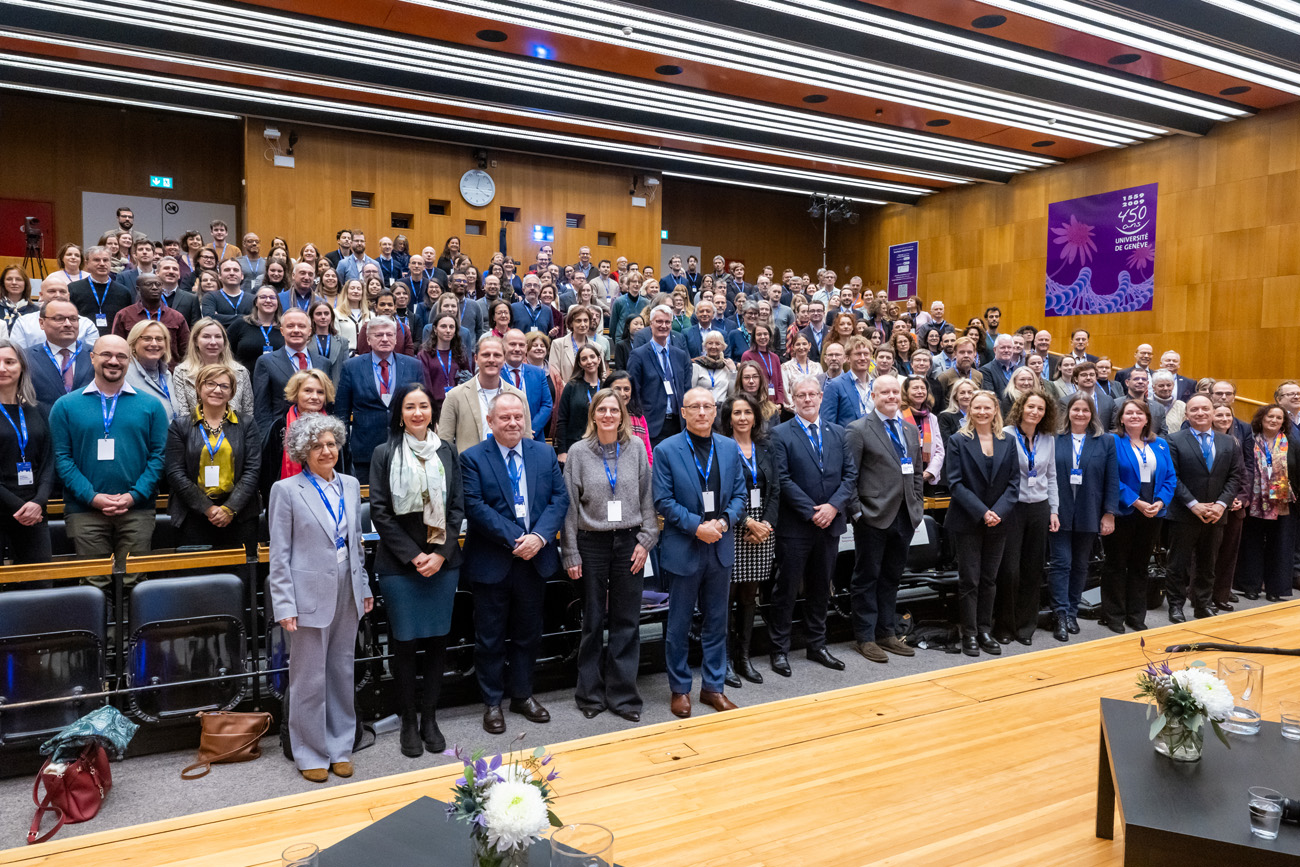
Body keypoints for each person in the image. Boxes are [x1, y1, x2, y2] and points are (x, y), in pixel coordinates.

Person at [268, 414, 372, 783]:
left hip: (347, 587)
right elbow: (279, 554)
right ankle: (310, 751)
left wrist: (364, 587)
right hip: (307, 593)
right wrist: (284, 604)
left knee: (342, 671)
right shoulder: (286, 490)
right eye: (317, 446)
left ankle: (340, 747)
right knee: (309, 677)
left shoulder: (350, 484)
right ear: (302, 451)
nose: (326, 451)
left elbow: (356, 542)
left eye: (330, 444)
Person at [461, 393, 570, 735]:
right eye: (504, 417)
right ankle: (492, 702)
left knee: (528, 634)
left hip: (534, 560)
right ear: (490, 421)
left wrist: (539, 537)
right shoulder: (472, 458)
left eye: (518, 417)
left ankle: (522, 695)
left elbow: (559, 498)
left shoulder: (544, 453)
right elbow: (475, 506)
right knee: (490, 638)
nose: (512, 423)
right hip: (493, 561)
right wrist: (518, 538)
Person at [369, 383, 464, 757]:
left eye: (423, 406)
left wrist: (439, 554)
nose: (418, 413)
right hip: (399, 565)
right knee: (404, 644)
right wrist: (414, 556)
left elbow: (456, 507)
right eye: (410, 407)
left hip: (443, 562)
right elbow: (380, 512)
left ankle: (430, 718)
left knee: (438, 641)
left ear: (431, 412)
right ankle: (408, 720)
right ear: (400, 414)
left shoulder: (447, 451)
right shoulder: (384, 453)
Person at [562, 389, 658, 722]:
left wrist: (647, 539)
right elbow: (569, 508)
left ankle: (623, 695)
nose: (608, 415)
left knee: (627, 621)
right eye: (601, 410)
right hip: (591, 543)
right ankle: (589, 693)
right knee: (592, 620)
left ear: (622, 416)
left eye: (614, 410)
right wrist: (571, 552)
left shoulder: (636, 449)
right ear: (593, 415)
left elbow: (647, 498)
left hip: (630, 542)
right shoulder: (578, 452)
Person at [653, 387, 747, 718]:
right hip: (684, 547)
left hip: (719, 546)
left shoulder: (728, 447)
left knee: (717, 622)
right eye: (695, 407)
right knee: (678, 625)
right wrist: (697, 527)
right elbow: (663, 500)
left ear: (715, 410)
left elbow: (740, 495)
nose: (702, 412)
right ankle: (680, 689)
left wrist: (723, 521)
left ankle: (712, 687)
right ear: (683, 412)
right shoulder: (666, 450)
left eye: (708, 406)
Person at [50, 335, 169, 590]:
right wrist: (92, 497)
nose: (113, 361)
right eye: (106, 354)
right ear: (92, 358)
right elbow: (62, 459)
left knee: (135, 584)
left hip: (137, 510)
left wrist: (134, 496)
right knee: (94, 585)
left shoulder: (151, 405)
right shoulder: (65, 406)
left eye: (121, 356)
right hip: (85, 511)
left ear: (129, 361)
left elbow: (158, 457)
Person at [768, 376, 858, 676]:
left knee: (821, 588)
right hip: (796, 527)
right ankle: (779, 650)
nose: (807, 399)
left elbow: (850, 476)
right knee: (787, 589)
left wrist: (833, 507)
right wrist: (811, 511)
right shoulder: (780, 434)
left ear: (821, 397)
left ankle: (817, 645)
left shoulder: (838, 432)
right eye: (801, 395)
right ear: (792, 400)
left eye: (812, 394)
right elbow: (782, 479)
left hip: (830, 524)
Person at [844, 374, 923, 664]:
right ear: (873, 396)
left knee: (892, 577)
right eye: (884, 392)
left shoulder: (909, 429)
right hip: (872, 516)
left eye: (894, 392)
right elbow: (849, 476)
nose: (891, 396)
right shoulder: (858, 429)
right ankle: (865, 637)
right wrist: (856, 512)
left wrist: (916, 506)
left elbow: (916, 472)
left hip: (904, 516)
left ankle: (886, 632)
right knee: (867, 577)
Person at [943, 391, 1019, 656]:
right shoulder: (958, 440)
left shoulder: (1008, 441)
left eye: (987, 407)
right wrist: (982, 512)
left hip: (999, 520)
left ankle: (985, 630)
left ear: (996, 409)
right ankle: (970, 633)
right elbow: (955, 483)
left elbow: (1014, 483)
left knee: (989, 578)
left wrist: (996, 512)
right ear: (969, 410)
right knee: (970, 580)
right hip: (968, 520)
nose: (982, 412)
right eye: (977, 407)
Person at [1162, 394, 1244, 622]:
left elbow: (1235, 476)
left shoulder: (1228, 442)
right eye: (1194, 409)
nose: (1200, 413)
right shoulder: (1173, 440)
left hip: (1216, 515)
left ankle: (1203, 605)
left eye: (1205, 409)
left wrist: (1221, 505)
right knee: (1178, 564)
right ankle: (1175, 606)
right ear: (1187, 414)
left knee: (1208, 563)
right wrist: (1194, 504)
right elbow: (1172, 477)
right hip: (1184, 513)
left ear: (1213, 412)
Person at [164, 363, 261, 551]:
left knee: (240, 568)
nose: (217, 390)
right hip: (193, 514)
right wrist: (207, 508)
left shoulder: (247, 424)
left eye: (224, 386)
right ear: (199, 388)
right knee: (197, 569)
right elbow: (175, 472)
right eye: (211, 384)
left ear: (232, 392)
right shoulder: (180, 426)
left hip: (239, 514)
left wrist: (229, 508)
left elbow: (253, 470)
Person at [990, 391, 1059, 646]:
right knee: (1010, 570)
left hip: (1039, 508)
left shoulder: (1048, 439)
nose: (1035, 412)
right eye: (1031, 406)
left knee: (1033, 568)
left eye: (1040, 408)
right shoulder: (1006, 434)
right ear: (1021, 408)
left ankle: (1026, 626)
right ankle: (1004, 625)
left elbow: (1051, 476)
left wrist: (1054, 509)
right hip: (1013, 508)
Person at [1102, 399, 1177, 633]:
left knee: (1141, 565)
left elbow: (1171, 477)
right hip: (1123, 512)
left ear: (1147, 419)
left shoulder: (1160, 444)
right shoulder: (1112, 441)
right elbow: (1110, 476)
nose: (1134, 416)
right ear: (1121, 418)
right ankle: (1113, 615)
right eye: (1129, 413)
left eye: (1139, 413)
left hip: (1153, 513)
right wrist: (1136, 501)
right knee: (1116, 564)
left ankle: (1136, 615)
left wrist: (1160, 501)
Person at [1048, 393, 1118, 641]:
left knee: (1080, 565)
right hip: (1059, 511)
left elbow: (1112, 479)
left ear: (1092, 414)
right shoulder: (1054, 438)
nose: (1080, 414)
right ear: (1067, 412)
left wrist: (1109, 513)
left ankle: (1072, 612)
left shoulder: (1105, 441)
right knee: (1061, 563)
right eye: (1075, 409)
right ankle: (1060, 614)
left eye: (1085, 410)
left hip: (1090, 511)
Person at [719, 391, 778, 686]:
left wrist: (766, 524)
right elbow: (722, 492)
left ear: (755, 417)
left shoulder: (766, 446)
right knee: (726, 598)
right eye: (737, 413)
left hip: (762, 530)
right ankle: (726, 661)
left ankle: (744, 657)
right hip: (733, 526)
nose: (743, 418)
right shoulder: (721, 447)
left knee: (749, 597)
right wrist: (748, 523)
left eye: (748, 412)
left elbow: (775, 489)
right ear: (729, 419)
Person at [333, 316, 423, 483]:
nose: (385, 339)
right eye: (379, 335)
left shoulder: (414, 365)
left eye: (389, 334)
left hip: (406, 449)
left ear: (396, 339)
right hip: (365, 453)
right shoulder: (351, 367)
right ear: (368, 339)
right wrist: (343, 450)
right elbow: (341, 413)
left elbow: (423, 407)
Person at [1237, 403, 1299, 601]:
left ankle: (1275, 589)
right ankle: (1250, 586)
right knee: (1251, 542)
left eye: (1279, 418)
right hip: (1255, 500)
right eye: (1270, 416)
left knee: (1280, 545)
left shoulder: (1292, 442)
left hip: (1283, 503)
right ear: (1261, 419)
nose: (1274, 420)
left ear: (1284, 422)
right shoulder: (1250, 440)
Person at [0, 340, 53, 564]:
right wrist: (20, 506)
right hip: (10, 506)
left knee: (40, 580)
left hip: (35, 511)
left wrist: (38, 501)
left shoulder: (38, 410)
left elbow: (49, 461)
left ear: (22, 366)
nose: (2, 368)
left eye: (9, 362)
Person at [437, 336, 530, 453]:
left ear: (504, 360)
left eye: (497, 355)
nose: (491, 359)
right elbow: (445, 444)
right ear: (476, 358)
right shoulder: (455, 396)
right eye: (486, 355)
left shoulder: (518, 396)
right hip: (469, 464)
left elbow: (527, 440)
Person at [260, 369, 338, 502]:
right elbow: (267, 473)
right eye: (308, 391)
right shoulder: (279, 427)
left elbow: (344, 469)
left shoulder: (334, 428)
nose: (315, 396)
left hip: (329, 499)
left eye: (320, 392)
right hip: (287, 501)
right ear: (296, 393)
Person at [252, 308, 324, 432]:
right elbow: (261, 409)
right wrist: (267, 438)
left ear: (309, 331)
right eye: (290, 326)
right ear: (282, 331)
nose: (296, 330)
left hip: (317, 432)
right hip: (281, 433)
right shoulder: (266, 362)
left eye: (301, 326)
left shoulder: (323, 363)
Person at [628, 305, 691, 447]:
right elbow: (633, 392)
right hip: (652, 426)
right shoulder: (638, 355)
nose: (664, 326)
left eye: (667, 322)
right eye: (659, 321)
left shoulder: (680, 355)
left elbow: (687, 388)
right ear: (651, 324)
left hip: (678, 425)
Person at [1210, 402, 1248, 610]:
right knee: (1208, 554)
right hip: (1212, 506)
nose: (1224, 419)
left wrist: (1240, 498)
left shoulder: (1235, 441)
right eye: (1219, 415)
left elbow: (1242, 474)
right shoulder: (1204, 440)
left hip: (1234, 508)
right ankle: (1203, 597)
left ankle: (1221, 595)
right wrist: (1223, 500)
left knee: (1228, 555)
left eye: (1228, 415)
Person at [26, 298, 95, 413]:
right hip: (44, 422)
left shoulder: (97, 355)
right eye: (59, 319)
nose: (68, 324)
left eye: (73, 319)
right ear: (42, 323)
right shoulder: (25, 357)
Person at [416, 312, 472, 428]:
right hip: (435, 409)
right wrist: (432, 415)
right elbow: (426, 387)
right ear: (435, 329)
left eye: (451, 327)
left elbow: (468, 381)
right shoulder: (424, 355)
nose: (448, 330)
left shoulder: (460, 353)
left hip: (458, 407)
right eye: (443, 326)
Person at [554, 344, 606, 462]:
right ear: (580, 364)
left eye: (592, 357)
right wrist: (562, 451)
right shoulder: (571, 386)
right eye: (584, 359)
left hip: (602, 446)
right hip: (575, 446)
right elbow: (562, 420)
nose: (589, 361)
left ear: (599, 359)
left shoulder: (606, 387)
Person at [500, 329, 553, 440]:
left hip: (534, 437)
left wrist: (530, 429)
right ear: (503, 347)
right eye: (512, 344)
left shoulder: (538, 373)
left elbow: (547, 404)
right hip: (503, 436)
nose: (517, 349)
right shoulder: (496, 374)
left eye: (521, 345)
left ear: (526, 348)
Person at [68, 247, 132, 331]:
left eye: (105, 260)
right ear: (87, 263)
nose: (102, 264)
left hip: (114, 337)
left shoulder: (123, 292)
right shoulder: (73, 289)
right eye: (96, 260)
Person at [123, 320, 177, 422]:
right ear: (133, 343)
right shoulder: (124, 375)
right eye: (147, 339)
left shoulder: (167, 374)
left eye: (159, 339)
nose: (154, 344)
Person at [901, 375, 944, 489]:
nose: (920, 392)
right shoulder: (898, 416)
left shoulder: (932, 418)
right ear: (906, 392)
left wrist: (929, 472)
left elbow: (939, 450)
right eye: (915, 388)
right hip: (904, 477)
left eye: (923, 388)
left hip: (927, 477)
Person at [820, 336, 873, 427]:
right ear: (847, 358)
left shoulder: (876, 385)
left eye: (866, 354)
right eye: (858, 354)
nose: (863, 358)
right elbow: (827, 424)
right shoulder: (835, 385)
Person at [740, 323, 785, 408]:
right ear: (754, 337)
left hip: (774, 406)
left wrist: (779, 404)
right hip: (756, 406)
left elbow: (780, 383)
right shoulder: (747, 356)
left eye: (765, 334)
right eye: (759, 334)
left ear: (770, 336)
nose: (763, 337)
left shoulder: (775, 357)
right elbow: (745, 384)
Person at [306, 300, 348, 383]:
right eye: (318, 314)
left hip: (336, 386)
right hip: (312, 384)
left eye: (326, 313)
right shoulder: (305, 341)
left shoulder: (342, 341)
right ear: (312, 318)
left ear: (331, 317)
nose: (323, 317)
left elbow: (346, 368)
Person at [692, 332, 735, 406]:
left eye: (718, 344)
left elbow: (732, 394)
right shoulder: (696, 365)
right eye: (710, 343)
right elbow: (691, 392)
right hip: (703, 408)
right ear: (705, 346)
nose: (713, 346)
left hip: (722, 409)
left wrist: (733, 371)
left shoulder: (727, 367)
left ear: (723, 347)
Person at [0, 265, 36, 332]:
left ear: (25, 283)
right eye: (9, 279)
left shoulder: (35, 311)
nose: (14, 282)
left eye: (18, 279)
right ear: (3, 283)